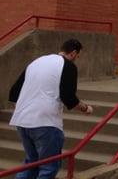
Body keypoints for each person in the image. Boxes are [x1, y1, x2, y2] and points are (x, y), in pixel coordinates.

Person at [8, 39, 94, 179]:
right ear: (73, 53)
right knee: (48, 168)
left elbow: (14, 92)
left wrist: (25, 110)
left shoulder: (37, 62)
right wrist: (86, 108)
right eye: (78, 56)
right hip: (46, 123)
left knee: (31, 162)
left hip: (22, 121)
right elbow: (69, 98)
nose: (76, 60)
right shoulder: (68, 66)